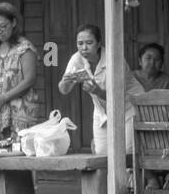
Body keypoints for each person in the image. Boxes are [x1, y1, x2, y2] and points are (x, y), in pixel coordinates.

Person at [58, 23, 145, 153]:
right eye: (80, 43)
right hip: (102, 111)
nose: (84, 48)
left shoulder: (114, 59)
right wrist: (65, 81)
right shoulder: (76, 59)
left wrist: (97, 91)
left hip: (128, 107)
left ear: (99, 44)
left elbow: (118, 97)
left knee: (127, 153)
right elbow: (63, 90)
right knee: (102, 154)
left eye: (89, 43)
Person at [0, 3, 44, 142]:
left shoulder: (25, 48)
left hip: (20, 111)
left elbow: (29, 79)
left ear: (13, 22)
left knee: (18, 151)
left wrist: (5, 97)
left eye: (3, 26)